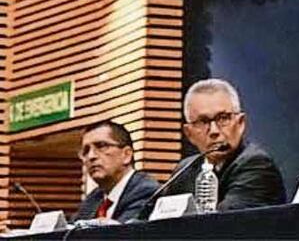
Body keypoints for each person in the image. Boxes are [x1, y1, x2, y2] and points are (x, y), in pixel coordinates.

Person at [161, 78, 286, 211]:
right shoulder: (184, 170)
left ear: (240, 123)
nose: (214, 131)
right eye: (203, 122)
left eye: (223, 118)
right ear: (189, 134)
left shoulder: (257, 164)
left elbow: (223, 222)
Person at [73, 120, 159, 222]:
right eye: (86, 151)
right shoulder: (93, 198)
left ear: (126, 155)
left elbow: (122, 234)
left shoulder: (146, 191)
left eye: (101, 146)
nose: (91, 156)